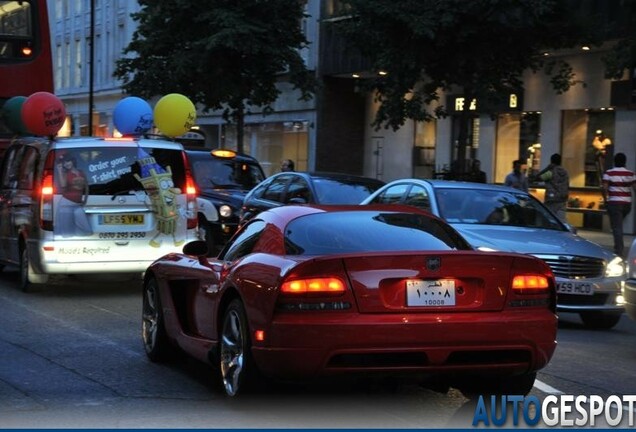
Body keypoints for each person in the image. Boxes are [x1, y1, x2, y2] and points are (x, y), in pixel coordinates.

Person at [602, 152, 636, 257]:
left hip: (614, 202)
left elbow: (604, 188)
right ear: (625, 162)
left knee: (617, 227)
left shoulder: (609, 173)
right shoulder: (631, 174)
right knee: (618, 225)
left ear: (614, 161)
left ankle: (618, 250)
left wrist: (605, 199)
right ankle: (618, 246)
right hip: (626, 204)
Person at [55, 153, 93, 237]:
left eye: (68, 161)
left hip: (77, 204)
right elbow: (63, 186)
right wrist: (60, 170)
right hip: (66, 204)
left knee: (87, 230)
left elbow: (86, 187)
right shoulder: (65, 174)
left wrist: (85, 200)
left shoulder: (81, 172)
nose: (67, 164)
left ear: (72, 161)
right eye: (64, 163)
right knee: (66, 232)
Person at [538, 153, 570, 223]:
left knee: (548, 220)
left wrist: (547, 168)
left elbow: (537, 178)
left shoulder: (550, 172)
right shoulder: (565, 172)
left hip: (551, 199)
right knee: (561, 221)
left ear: (551, 161)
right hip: (562, 199)